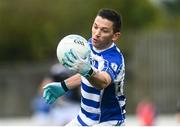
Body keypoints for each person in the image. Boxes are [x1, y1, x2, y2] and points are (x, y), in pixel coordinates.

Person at [43, 8, 126, 126]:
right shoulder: (88, 46)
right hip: (84, 118)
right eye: (95, 26)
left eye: (104, 30)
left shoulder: (114, 59)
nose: (97, 33)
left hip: (108, 122)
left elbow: (102, 82)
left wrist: (87, 70)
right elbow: (86, 73)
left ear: (115, 36)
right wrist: (63, 86)